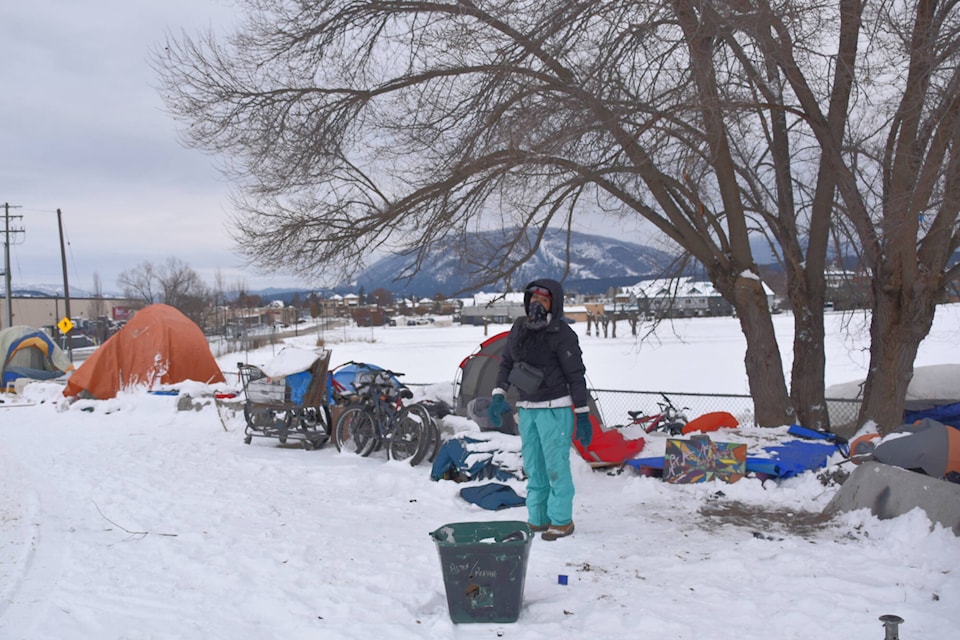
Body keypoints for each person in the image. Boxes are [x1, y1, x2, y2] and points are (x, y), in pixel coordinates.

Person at [487, 278, 593, 540]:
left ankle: (561, 520)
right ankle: (537, 518)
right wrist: (499, 394)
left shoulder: (563, 334)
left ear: (553, 304)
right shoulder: (519, 329)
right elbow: (507, 363)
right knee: (534, 467)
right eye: (534, 299)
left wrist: (582, 413)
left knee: (555, 467)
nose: (537, 305)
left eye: (543, 301)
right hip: (527, 408)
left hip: (554, 409)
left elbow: (576, 375)